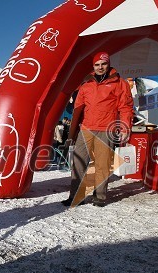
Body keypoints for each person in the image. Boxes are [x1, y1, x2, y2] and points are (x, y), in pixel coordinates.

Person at [62, 51, 134, 207]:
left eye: (103, 64)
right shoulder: (86, 84)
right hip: (86, 128)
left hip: (106, 129)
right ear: (93, 66)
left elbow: (126, 107)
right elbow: (78, 108)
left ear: (108, 64)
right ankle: (76, 196)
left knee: (102, 164)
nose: (100, 67)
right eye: (97, 64)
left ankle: (100, 196)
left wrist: (125, 128)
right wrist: (73, 132)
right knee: (79, 162)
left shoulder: (119, 83)